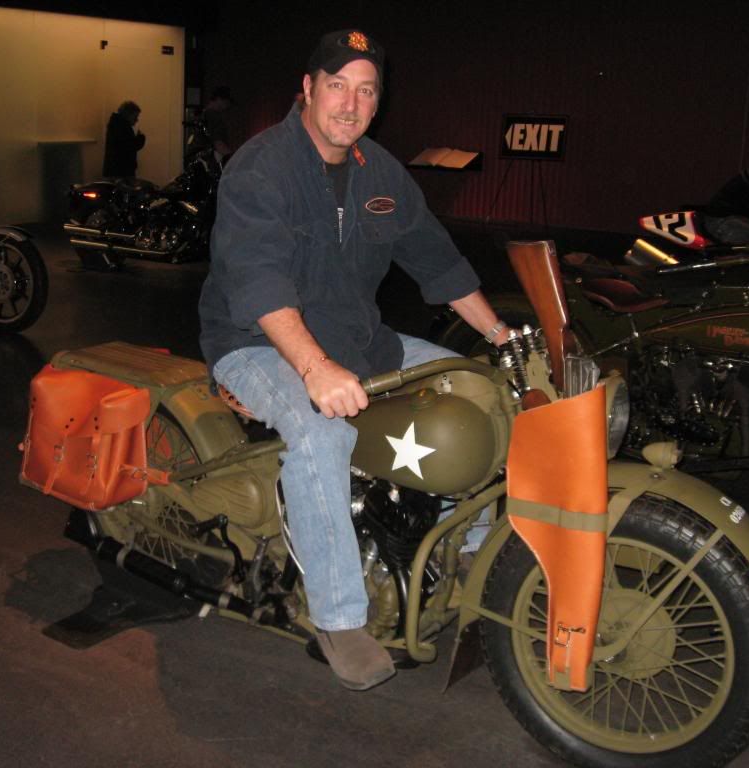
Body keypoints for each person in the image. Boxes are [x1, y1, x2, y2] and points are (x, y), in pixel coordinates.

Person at [198, 29, 511, 691]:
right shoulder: (262, 168)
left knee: (483, 390)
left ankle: (472, 553)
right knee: (321, 431)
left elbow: (437, 262)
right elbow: (259, 285)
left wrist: (504, 338)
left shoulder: (381, 172)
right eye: (337, 85)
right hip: (255, 342)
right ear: (307, 89)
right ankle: (339, 617)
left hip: (360, 341)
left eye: (366, 90)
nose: (350, 102)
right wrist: (314, 368)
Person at [102, 100, 145, 178]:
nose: (136, 120)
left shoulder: (116, 124)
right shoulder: (122, 127)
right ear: (128, 115)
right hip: (123, 171)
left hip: (115, 170)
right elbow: (129, 146)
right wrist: (140, 138)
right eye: (135, 116)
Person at [201, 86, 235, 161]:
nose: (227, 106)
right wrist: (233, 158)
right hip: (213, 162)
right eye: (226, 102)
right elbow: (218, 144)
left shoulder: (202, 115)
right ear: (219, 99)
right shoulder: (214, 117)